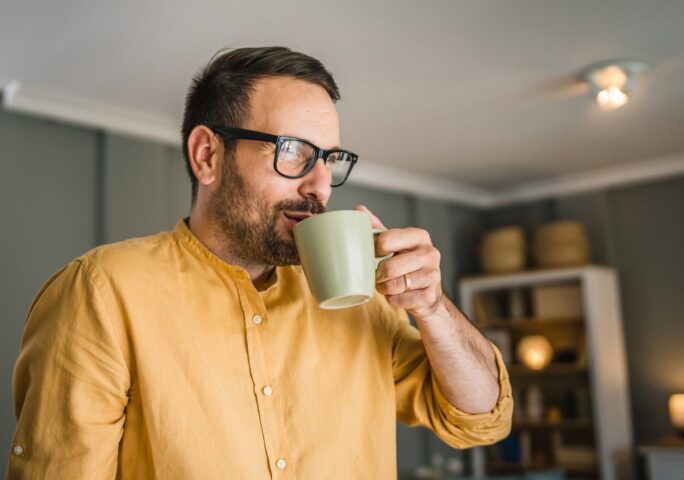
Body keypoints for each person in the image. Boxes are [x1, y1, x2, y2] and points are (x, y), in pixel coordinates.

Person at [8, 46, 512, 479]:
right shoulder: (102, 292)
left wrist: (432, 307)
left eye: (329, 160)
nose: (318, 185)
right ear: (207, 155)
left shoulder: (364, 299)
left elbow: (481, 418)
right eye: (293, 152)